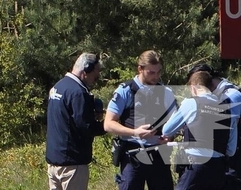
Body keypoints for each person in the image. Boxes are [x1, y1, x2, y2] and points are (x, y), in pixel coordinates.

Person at [105, 50, 177, 190]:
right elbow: (108, 124)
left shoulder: (166, 92)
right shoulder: (125, 91)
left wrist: (169, 136)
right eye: (151, 72)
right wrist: (134, 132)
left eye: (159, 72)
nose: (156, 77)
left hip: (158, 155)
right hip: (133, 155)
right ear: (140, 68)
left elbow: (174, 122)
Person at [186, 63, 241, 189]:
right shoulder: (219, 96)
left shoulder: (231, 96)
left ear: (209, 82)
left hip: (237, 158)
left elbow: (227, 127)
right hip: (228, 156)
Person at [159, 69, 229, 190]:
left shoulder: (191, 103)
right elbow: (231, 145)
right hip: (219, 167)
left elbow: (167, 130)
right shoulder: (225, 107)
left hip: (197, 164)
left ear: (193, 87)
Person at [46, 52, 106, 190]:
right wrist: (107, 125)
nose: (97, 77)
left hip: (55, 161)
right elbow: (86, 127)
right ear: (87, 69)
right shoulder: (78, 93)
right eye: (96, 72)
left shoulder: (58, 87)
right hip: (72, 164)